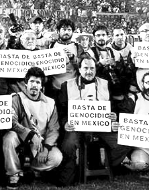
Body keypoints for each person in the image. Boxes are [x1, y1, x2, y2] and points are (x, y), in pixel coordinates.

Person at [55, 56, 131, 186]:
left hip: (100, 127)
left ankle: (106, 166)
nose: (89, 71)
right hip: (77, 127)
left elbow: (113, 106)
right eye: (85, 68)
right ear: (79, 69)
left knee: (125, 141)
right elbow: (61, 111)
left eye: (92, 68)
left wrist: (114, 116)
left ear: (96, 69)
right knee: (68, 144)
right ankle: (69, 174)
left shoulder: (106, 83)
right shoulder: (66, 85)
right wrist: (65, 123)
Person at [3, 67, 62, 189]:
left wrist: (45, 149)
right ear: (26, 83)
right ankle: (14, 174)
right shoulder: (16, 98)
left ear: (42, 86)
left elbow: (53, 129)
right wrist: (30, 134)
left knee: (56, 158)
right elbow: (11, 121)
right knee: (9, 138)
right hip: (21, 138)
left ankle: (29, 169)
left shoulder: (50, 103)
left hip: (39, 143)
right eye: (32, 82)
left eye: (38, 82)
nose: (34, 85)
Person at [47, 19, 83, 101]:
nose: (66, 32)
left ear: (73, 32)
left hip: (72, 88)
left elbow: (82, 66)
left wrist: (72, 57)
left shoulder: (78, 47)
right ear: (58, 31)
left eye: (69, 30)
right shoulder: (51, 45)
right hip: (54, 87)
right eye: (63, 29)